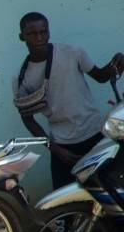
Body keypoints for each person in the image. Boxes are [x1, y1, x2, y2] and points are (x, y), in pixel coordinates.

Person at [13, 11, 124, 188]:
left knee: (107, 194)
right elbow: (28, 119)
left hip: (95, 135)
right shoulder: (22, 77)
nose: (40, 37)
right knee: (66, 205)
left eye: (44, 32)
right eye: (32, 34)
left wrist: (116, 63)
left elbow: (101, 77)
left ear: (49, 32)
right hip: (63, 147)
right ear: (22, 37)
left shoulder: (72, 53)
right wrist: (56, 150)